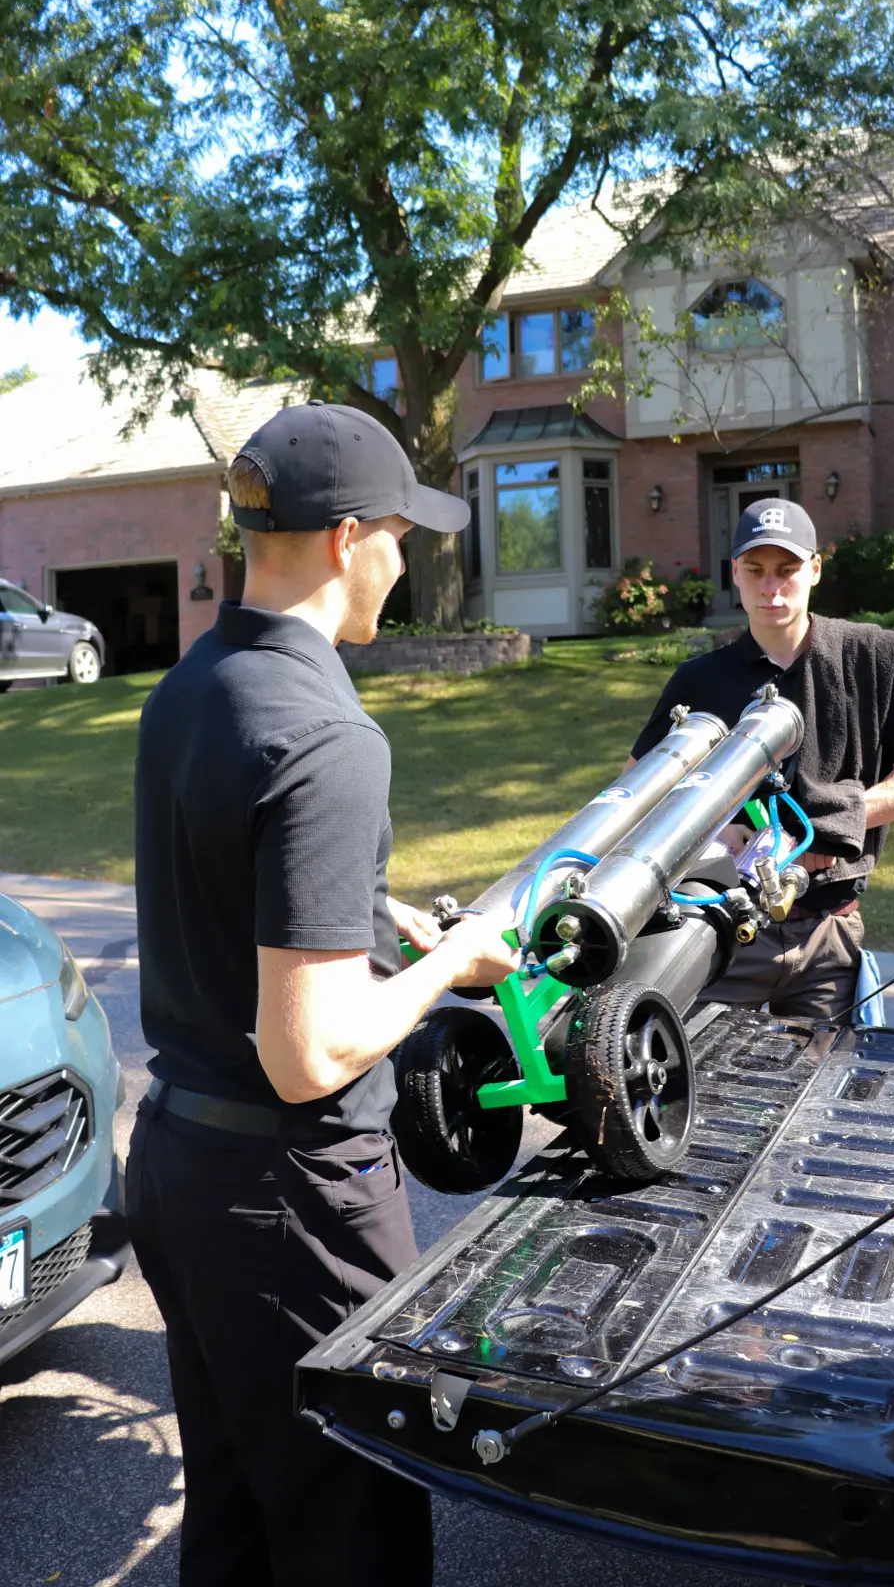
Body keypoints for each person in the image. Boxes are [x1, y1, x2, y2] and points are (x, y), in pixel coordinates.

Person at [128, 402, 516, 1586]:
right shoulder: (328, 734)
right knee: (353, 1538)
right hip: (291, 1202)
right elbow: (311, 1053)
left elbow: (224, 883)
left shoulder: (193, 684)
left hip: (180, 1172)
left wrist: (361, 913)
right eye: (402, 535)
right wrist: (459, 958)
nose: (406, 563)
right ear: (349, 538)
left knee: (239, 1521)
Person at [628, 497, 894, 1021]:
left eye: (787, 570)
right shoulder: (699, 680)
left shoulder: (863, 658)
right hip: (720, 931)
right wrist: (713, 834)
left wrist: (825, 828)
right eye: (755, 570)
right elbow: (634, 796)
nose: (771, 588)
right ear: (734, 572)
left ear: (815, 569)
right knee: (688, 1082)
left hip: (830, 935)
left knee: (819, 1087)